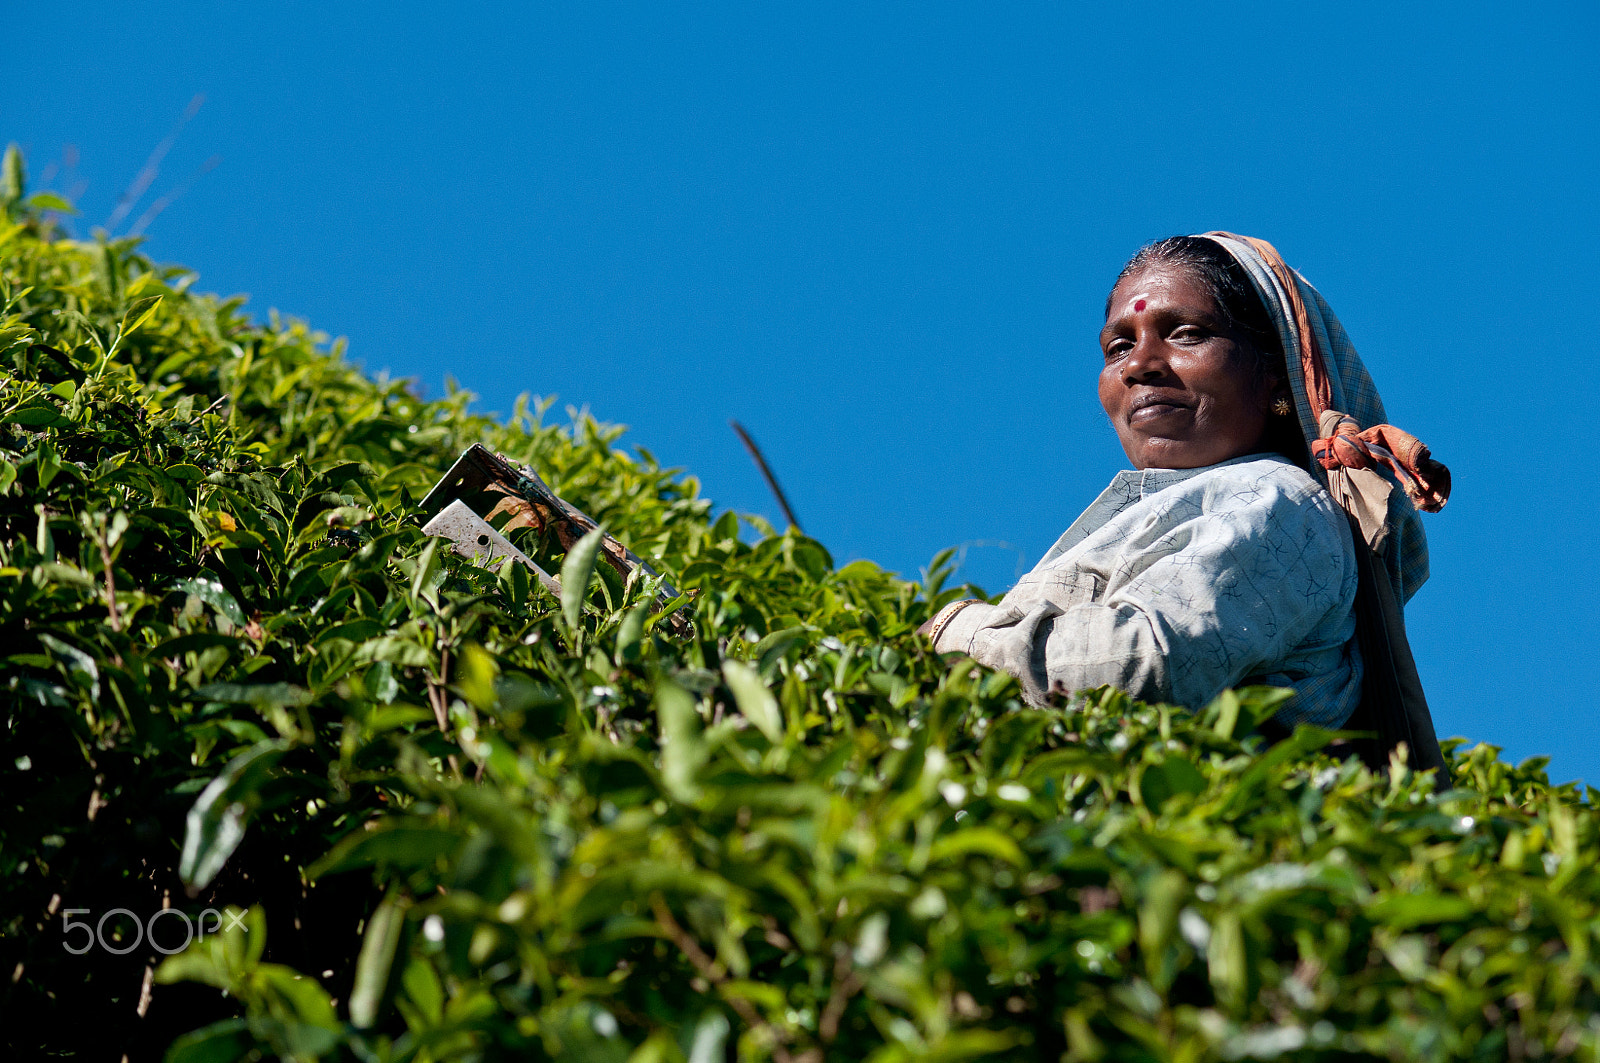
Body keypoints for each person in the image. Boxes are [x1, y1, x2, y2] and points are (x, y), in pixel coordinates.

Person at [920, 233, 1450, 768]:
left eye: (1187, 334)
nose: (1140, 365)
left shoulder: (1280, 501)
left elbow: (1139, 667)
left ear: (1277, 373)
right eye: (1118, 347)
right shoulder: (1181, 506)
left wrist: (948, 636)